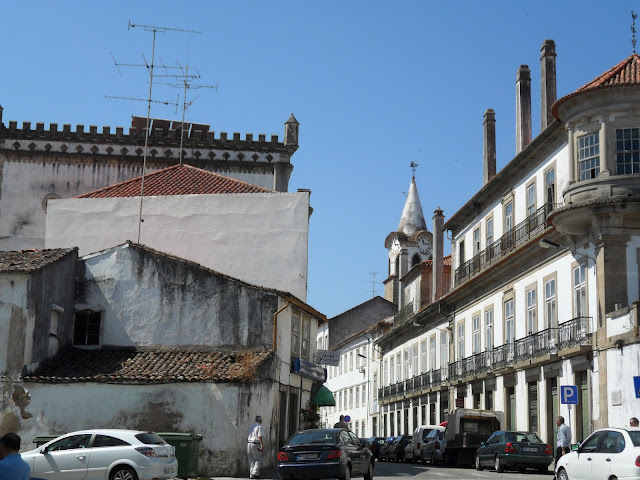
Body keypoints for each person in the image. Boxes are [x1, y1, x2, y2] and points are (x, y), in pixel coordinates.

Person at [247, 415, 264, 479]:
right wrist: (261, 445)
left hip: (249, 443)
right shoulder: (259, 427)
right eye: (261, 420)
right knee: (259, 459)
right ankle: (255, 473)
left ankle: (251, 474)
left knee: (251, 459)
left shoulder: (251, 426)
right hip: (255, 444)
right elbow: (259, 436)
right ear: (260, 420)